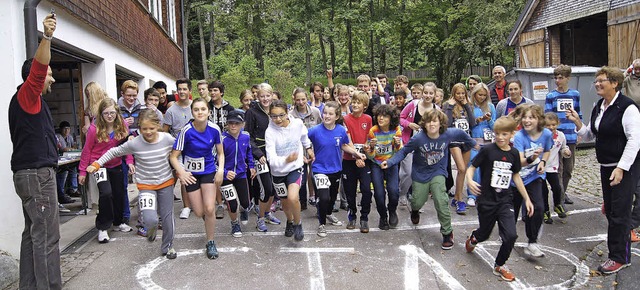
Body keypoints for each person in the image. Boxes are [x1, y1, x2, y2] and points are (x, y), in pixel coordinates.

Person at [566, 67, 640, 274]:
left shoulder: (627, 107)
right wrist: (577, 122)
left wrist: (621, 168)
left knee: (619, 214)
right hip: (606, 167)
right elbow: (590, 134)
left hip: (625, 168)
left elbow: (635, 140)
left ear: (615, 83)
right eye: (596, 81)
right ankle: (620, 246)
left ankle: (619, 257)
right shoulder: (600, 106)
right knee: (611, 210)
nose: (597, 84)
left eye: (602, 81)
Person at [9, 13, 62, 289]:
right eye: (49, 75)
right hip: (37, 177)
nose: (51, 79)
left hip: (28, 175)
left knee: (32, 235)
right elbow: (40, 67)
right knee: (47, 237)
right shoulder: (28, 96)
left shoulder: (30, 102)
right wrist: (48, 36)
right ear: (35, 77)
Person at [86, 109, 177, 258]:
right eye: (144, 129)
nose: (148, 132)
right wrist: (97, 164)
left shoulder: (167, 139)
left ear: (158, 126)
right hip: (146, 186)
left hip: (166, 183)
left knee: (167, 218)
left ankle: (168, 247)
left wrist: (182, 167)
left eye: (152, 129)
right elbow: (113, 152)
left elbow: (180, 150)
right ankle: (151, 229)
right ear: (139, 128)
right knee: (150, 218)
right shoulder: (135, 143)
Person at [383, 110, 476, 250]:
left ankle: (447, 232)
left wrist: (473, 143)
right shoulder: (418, 139)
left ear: (441, 123)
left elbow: (462, 134)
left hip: (438, 172)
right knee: (417, 201)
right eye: (429, 121)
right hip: (420, 174)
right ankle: (414, 210)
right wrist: (389, 162)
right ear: (424, 124)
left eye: (435, 121)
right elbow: (403, 151)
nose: (432, 124)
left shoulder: (448, 134)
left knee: (441, 199)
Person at [465, 116, 534, 282]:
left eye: (504, 134)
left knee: (511, 235)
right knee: (484, 234)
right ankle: (474, 238)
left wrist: (527, 199)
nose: (500, 137)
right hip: (487, 200)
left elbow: (516, 176)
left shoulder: (513, 153)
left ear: (512, 134)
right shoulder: (487, 150)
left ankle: (500, 265)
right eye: (497, 134)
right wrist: (469, 180)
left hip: (505, 200)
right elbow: (472, 167)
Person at [169, 98, 225, 259]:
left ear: (208, 112)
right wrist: (181, 172)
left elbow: (220, 153)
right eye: (196, 110)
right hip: (191, 175)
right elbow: (173, 157)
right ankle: (208, 222)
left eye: (203, 109)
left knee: (209, 208)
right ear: (192, 112)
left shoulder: (214, 129)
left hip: (208, 171)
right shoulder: (186, 131)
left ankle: (211, 241)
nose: (200, 112)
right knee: (199, 211)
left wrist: (220, 170)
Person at [79, 98, 134, 243]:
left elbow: (127, 146)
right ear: (101, 114)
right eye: (106, 113)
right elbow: (86, 150)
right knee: (106, 193)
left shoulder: (122, 125)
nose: (109, 116)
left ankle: (118, 222)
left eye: (112, 113)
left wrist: (129, 161)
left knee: (119, 192)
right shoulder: (93, 129)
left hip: (115, 164)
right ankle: (103, 227)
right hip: (98, 165)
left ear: (116, 112)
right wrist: (82, 171)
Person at [308, 101, 366, 237]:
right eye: (325, 113)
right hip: (319, 169)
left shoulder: (340, 130)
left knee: (332, 198)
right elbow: (303, 141)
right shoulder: (314, 131)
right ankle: (321, 224)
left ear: (336, 116)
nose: (326, 116)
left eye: (330, 114)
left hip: (335, 169)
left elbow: (344, 145)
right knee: (323, 197)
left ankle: (328, 214)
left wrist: (356, 154)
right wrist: (308, 152)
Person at [265, 100, 315, 241]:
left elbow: (304, 137)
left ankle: (298, 223)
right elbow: (271, 159)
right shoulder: (270, 132)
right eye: (274, 116)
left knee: (293, 197)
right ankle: (290, 221)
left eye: (281, 115)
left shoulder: (297, 124)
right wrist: (286, 159)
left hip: (295, 168)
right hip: (278, 172)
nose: (278, 119)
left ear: (287, 113)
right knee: (286, 204)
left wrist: (309, 149)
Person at [512, 104, 552, 258]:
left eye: (531, 117)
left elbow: (547, 150)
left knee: (538, 208)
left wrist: (542, 162)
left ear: (539, 119)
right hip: (517, 178)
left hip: (534, 177)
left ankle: (532, 242)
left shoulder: (546, 134)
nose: (527, 121)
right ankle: (508, 234)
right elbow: (520, 161)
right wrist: (533, 158)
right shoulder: (519, 137)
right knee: (512, 210)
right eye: (525, 117)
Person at [245, 83, 282, 232]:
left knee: (274, 188)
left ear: (272, 95)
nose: (265, 99)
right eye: (262, 96)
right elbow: (248, 136)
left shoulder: (275, 110)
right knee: (266, 188)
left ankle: (267, 214)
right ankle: (260, 218)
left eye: (268, 95)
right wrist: (258, 154)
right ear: (257, 97)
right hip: (260, 154)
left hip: (274, 153)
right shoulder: (252, 112)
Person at [544, 64, 582, 205]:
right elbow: (547, 117)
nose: (557, 80)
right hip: (556, 138)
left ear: (567, 78)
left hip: (570, 136)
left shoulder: (575, 94)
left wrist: (579, 131)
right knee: (557, 169)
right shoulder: (551, 96)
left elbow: (579, 114)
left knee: (568, 169)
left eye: (560, 78)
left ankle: (562, 192)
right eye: (556, 78)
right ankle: (558, 199)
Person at [399, 82, 439, 206]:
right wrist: (409, 124)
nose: (427, 95)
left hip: (426, 147)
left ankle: (418, 198)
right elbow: (400, 118)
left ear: (434, 95)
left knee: (422, 174)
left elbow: (441, 125)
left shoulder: (436, 109)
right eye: (425, 93)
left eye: (430, 93)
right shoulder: (413, 105)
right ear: (422, 93)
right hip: (409, 143)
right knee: (408, 172)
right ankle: (402, 192)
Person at [365, 104, 403, 230]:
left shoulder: (396, 130)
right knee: (379, 193)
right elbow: (370, 156)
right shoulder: (373, 131)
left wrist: (397, 145)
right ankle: (383, 216)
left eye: (385, 116)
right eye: (379, 116)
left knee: (394, 191)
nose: (380, 118)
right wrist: (370, 148)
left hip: (391, 164)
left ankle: (392, 210)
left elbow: (400, 152)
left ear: (391, 119)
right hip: (376, 164)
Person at [342, 92, 374, 233]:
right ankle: (352, 215)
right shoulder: (345, 119)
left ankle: (364, 217)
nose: (354, 104)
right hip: (349, 160)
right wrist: (356, 156)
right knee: (350, 190)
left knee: (366, 189)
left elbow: (369, 137)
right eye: (353, 101)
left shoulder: (368, 119)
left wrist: (363, 154)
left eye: (358, 102)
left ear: (365, 106)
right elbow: (346, 141)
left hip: (364, 161)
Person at [221, 110, 255, 237]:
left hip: (241, 174)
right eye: (231, 123)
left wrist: (251, 166)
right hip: (226, 176)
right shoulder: (222, 139)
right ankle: (235, 223)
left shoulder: (246, 136)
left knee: (245, 202)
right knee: (232, 204)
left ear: (242, 124)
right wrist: (224, 172)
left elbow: (249, 153)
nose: (233, 126)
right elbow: (214, 160)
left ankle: (244, 210)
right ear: (227, 124)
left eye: (237, 123)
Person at [443, 83, 476, 215]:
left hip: (466, 139)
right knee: (461, 168)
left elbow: (472, 124)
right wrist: (450, 107)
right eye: (458, 93)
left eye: (463, 93)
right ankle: (460, 200)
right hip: (454, 140)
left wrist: (467, 106)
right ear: (453, 94)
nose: (461, 96)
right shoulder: (448, 105)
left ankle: (457, 198)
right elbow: (447, 124)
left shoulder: (468, 105)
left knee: (464, 170)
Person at [163, 78, 194, 219]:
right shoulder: (171, 111)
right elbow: (165, 132)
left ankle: (197, 203)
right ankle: (186, 207)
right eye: (179, 89)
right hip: (178, 149)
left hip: (195, 148)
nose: (181, 91)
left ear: (189, 91)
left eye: (184, 89)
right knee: (183, 175)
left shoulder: (196, 106)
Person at [289, 88, 322, 209]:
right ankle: (302, 202)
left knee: (315, 176)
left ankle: (319, 200)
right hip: (299, 151)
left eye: (303, 99)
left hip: (314, 149)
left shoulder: (316, 112)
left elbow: (321, 129)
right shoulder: (291, 115)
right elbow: (290, 137)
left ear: (307, 99)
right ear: (294, 100)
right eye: (298, 100)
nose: (301, 102)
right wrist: (298, 154)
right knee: (301, 179)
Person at [468, 83, 496, 207]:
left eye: (484, 95)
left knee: (488, 169)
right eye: (480, 95)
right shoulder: (469, 107)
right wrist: (478, 120)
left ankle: (485, 194)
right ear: (474, 94)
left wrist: (489, 119)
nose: (482, 97)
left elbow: (495, 127)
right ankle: (472, 195)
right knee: (474, 169)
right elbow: (467, 125)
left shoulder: (490, 106)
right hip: (475, 142)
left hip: (489, 142)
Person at [541, 113, 571, 224]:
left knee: (557, 188)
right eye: (548, 125)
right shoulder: (540, 135)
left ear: (558, 124)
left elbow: (563, 148)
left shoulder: (561, 136)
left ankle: (558, 205)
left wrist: (566, 152)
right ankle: (545, 211)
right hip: (541, 167)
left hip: (553, 167)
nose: (551, 127)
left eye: (553, 125)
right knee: (543, 191)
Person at [56, 120, 79, 205]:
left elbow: (74, 146)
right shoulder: (58, 136)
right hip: (60, 161)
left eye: (68, 129)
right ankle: (61, 193)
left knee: (74, 169)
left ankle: (73, 189)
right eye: (65, 129)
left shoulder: (70, 137)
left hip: (69, 159)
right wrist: (72, 149)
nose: (67, 131)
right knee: (63, 172)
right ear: (61, 129)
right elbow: (64, 149)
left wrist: (72, 149)